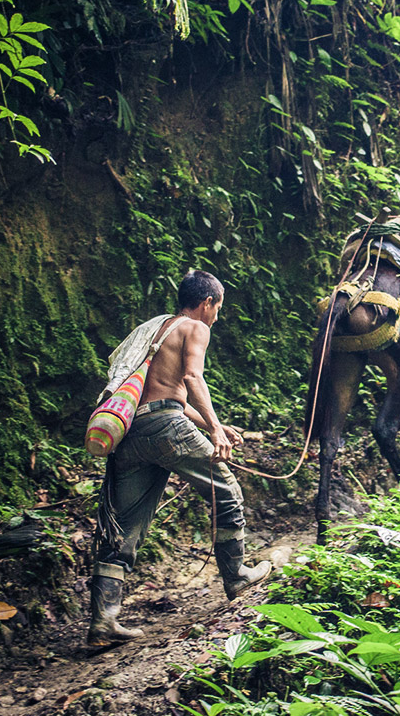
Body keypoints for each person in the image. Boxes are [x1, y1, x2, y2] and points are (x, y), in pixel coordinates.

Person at [87, 270, 270, 646]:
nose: (217, 316)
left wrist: (214, 423)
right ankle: (236, 576)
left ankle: (103, 621)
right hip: (165, 429)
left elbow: (168, 397)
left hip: (133, 433)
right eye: (218, 308)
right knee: (227, 489)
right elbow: (191, 378)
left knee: (123, 527)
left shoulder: (157, 331)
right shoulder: (195, 327)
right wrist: (215, 433)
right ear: (207, 303)